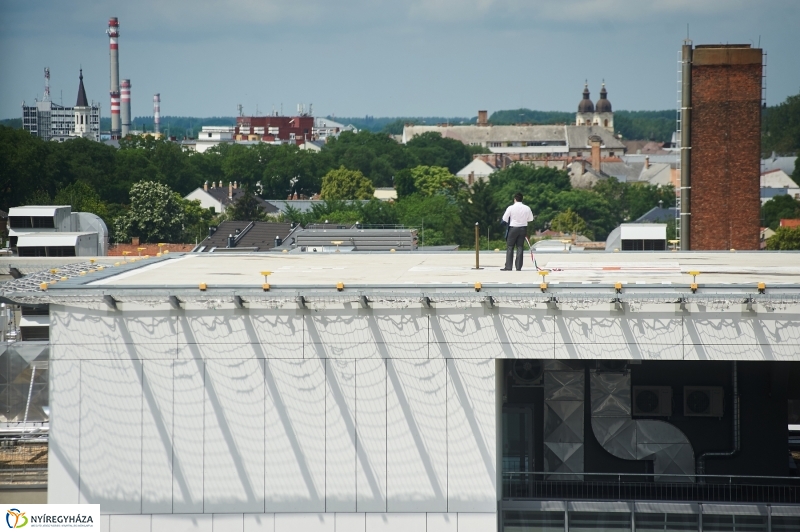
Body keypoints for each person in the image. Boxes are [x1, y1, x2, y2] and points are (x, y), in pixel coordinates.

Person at [501, 192, 534, 271]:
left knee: (510, 247)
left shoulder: (511, 208)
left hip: (513, 228)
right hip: (523, 228)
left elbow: (504, 219)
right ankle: (518, 267)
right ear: (522, 199)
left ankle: (508, 267)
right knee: (520, 247)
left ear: (514, 199)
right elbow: (531, 219)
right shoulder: (527, 208)